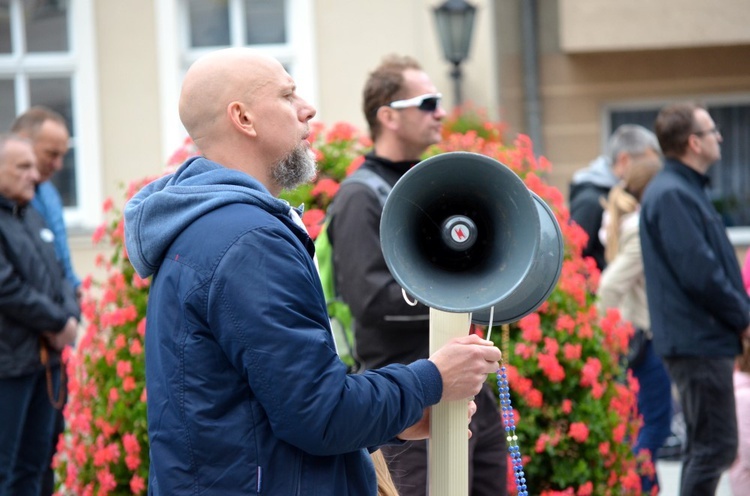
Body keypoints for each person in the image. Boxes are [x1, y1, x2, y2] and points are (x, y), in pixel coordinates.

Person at [122, 47, 502, 495]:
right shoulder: (248, 241)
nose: (308, 109)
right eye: (288, 96)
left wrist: (402, 417)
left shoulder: (213, 227)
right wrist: (432, 379)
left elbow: (273, 410)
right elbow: (319, 413)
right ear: (243, 118)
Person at [326, 54, 507, 496]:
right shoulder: (359, 198)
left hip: (468, 393)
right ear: (387, 116)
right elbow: (369, 300)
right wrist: (452, 293)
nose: (440, 112)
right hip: (409, 402)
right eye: (427, 102)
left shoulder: (433, 189)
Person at [640, 101, 750, 496]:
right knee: (713, 449)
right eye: (711, 130)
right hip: (697, 343)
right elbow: (700, 273)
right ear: (693, 143)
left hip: (700, 340)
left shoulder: (683, 190)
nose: (720, 137)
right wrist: (744, 317)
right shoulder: (673, 194)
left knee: (711, 447)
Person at [0, 134, 79, 496]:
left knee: (38, 467)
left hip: (44, 364)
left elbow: (60, 272)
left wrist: (70, 315)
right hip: (9, 367)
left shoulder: (30, 214)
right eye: (23, 166)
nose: (35, 175)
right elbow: (8, 288)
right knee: (8, 471)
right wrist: (59, 322)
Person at [596, 154, 671, 493]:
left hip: (638, 338)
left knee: (645, 425)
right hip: (644, 339)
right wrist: (606, 336)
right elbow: (609, 287)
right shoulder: (640, 231)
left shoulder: (630, 225)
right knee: (655, 425)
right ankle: (638, 487)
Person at [569, 124, 661, 272]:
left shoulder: (618, 194)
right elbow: (572, 257)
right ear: (624, 159)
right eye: (646, 165)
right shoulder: (591, 201)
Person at [11, 106, 81, 294]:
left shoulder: (49, 193)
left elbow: (60, 252)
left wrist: (74, 287)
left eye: (62, 155)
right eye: (52, 154)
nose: (58, 165)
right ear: (23, 142)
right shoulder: (8, 199)